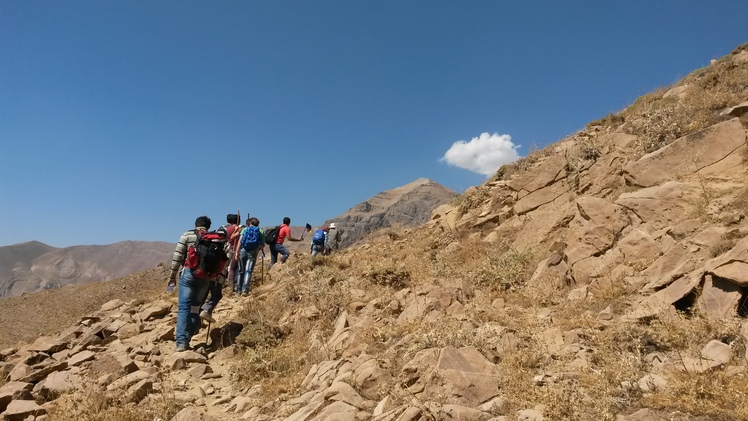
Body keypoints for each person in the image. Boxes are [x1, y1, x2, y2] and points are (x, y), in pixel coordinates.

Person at [168, 216, 215, 352]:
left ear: (195, 225)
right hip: (206, 277)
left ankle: (181, 343)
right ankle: (188, 338)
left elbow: (177, 257)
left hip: (188, 274)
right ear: (208, 227)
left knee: (184, 308)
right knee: (195, 309)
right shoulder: (214, 238)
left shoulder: (187, 235)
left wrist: (172, 276)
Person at [199, 213, 239, 323]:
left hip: (204, 274)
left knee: (203, 295)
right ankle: (207, 310)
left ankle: (197, 316)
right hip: (218, 275)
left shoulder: (208, 241)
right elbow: (229, 257)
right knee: (217, 295)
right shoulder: (225, 243)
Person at [236, 217, 264, 295]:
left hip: (243, 251)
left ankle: (238, 290)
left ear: (250, 223)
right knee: (248, 271)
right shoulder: (260, 231)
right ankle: (245, 290)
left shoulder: (245, 229)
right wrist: (257, 250)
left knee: (240, 271)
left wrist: (237, 252)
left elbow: (240, 242)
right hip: (252, 253)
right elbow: (262, 245)